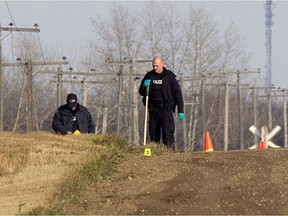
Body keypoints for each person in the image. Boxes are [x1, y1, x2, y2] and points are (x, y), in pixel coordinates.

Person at [139, 56, 185, 149]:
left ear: (162, 64)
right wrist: (144, 86)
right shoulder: (149, 76)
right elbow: (141, 92)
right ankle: (154, 154)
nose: (155, 68)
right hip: (153, 110)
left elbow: (178, 95)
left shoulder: (170, 77)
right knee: (153, 134)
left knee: (167, 134)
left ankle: (169, 154)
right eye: (153, 66)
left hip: (166, 110)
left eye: (156, 65)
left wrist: (180, 110)